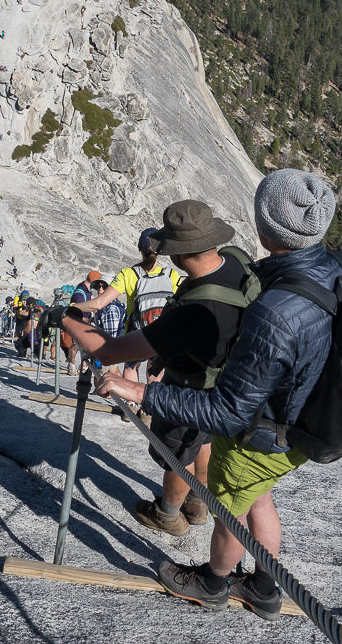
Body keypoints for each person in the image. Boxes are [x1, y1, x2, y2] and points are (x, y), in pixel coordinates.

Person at [95, 170, 342, 620]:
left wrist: (141, 391)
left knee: (229, 508)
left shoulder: (275, 311)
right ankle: (263, 586)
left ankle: (211, 582)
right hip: (311, 415)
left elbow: (226, 412)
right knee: (259, 497)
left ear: (265, 224)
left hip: (266, 428)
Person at [54, 201, 252, 536]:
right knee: (203, 443)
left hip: (188, 385)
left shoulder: (192, 310)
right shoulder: (236, 263)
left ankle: (168, 513)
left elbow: (108, 350)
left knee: (179, 453)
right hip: (225, 382)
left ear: (177, 253)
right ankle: (198, 504)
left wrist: (65, 317)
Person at [74, 228, 180, 381]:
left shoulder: (128, 274)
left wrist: (71, 308)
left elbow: (98, 304)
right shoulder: (171, 275)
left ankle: (131, 403)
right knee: (154, 371)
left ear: (139, 249)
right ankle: (149, 403)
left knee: (131, 366)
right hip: (162, 332)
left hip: (137, 333)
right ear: (160, 250)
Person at [65, 270, 101, 375]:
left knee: (83, 346)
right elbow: (78, 311)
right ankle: (72, 364)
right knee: (76, 345)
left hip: (85, 322)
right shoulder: (80, 293)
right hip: (79, 323)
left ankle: (83, 366)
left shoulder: (87, 291)